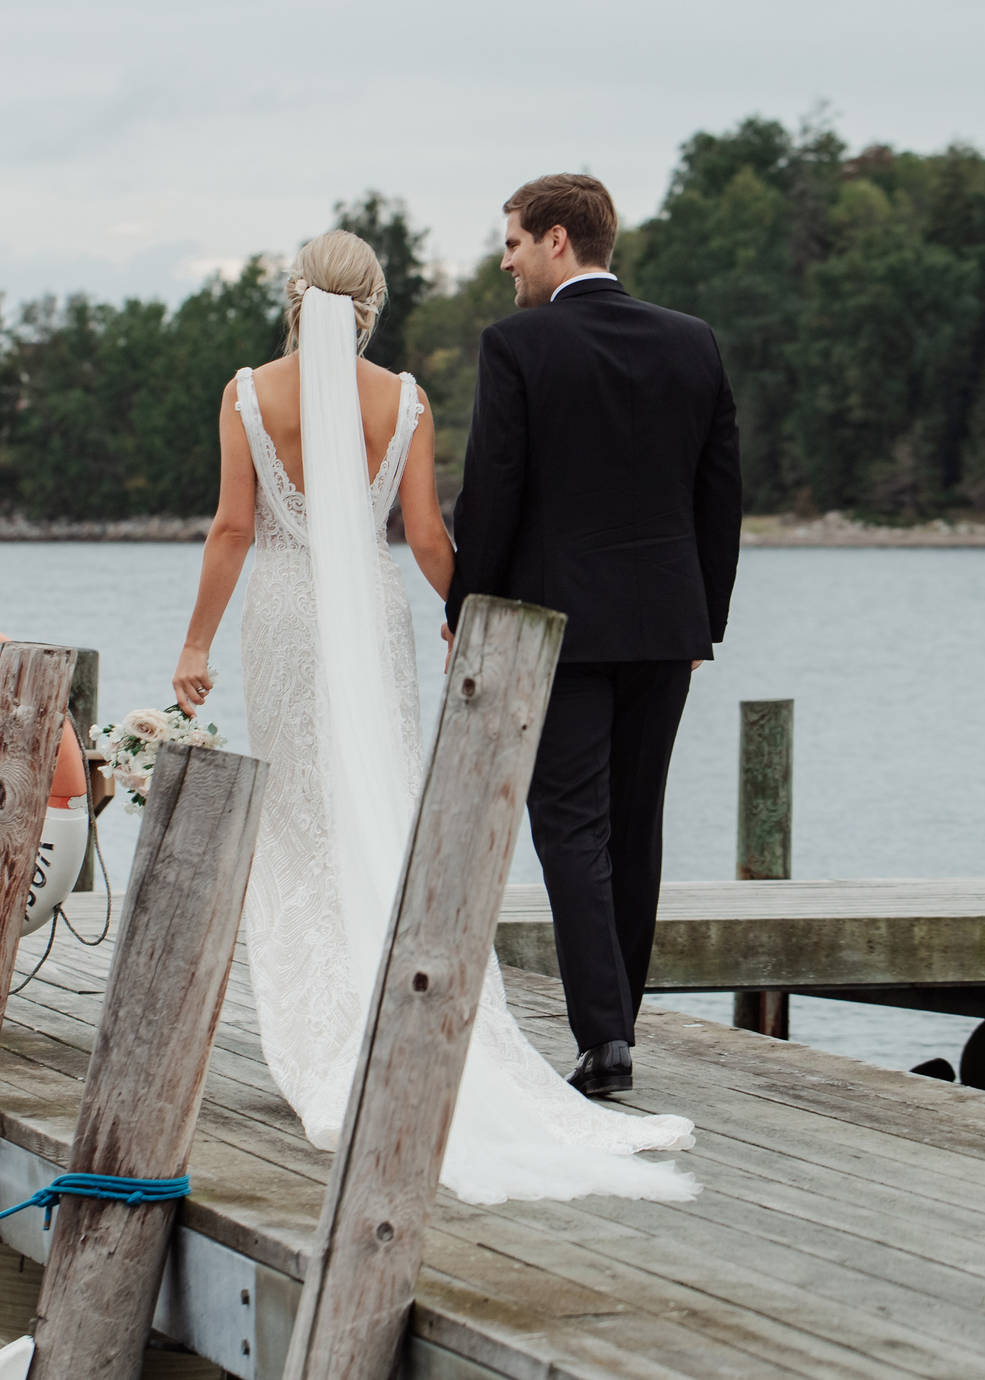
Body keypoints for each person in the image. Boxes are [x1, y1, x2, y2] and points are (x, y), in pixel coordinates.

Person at [169, 228, 694, 1205]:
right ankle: (396, 1006)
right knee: (379, 798)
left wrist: (195, 644)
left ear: (295, 296)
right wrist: (465, 618)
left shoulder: (247, 393)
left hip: (281, 614)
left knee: (300, 816)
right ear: (369, 303)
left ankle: (322, 1029)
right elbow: (422, 533)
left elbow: (234, 528)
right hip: (369, 611)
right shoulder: (402, 397)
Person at [446, 174, 742, 1098]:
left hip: (561, 626)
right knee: (635, 821)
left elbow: (494, 489)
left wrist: (467, 608)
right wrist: (707, 621)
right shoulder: (691, 342)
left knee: (568, 824)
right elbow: (719, 493)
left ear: (560, 240)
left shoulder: (519, 345)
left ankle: (604, 1035)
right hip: (666, 622)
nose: (505, 262)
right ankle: (618, 1025)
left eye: (514, 243)